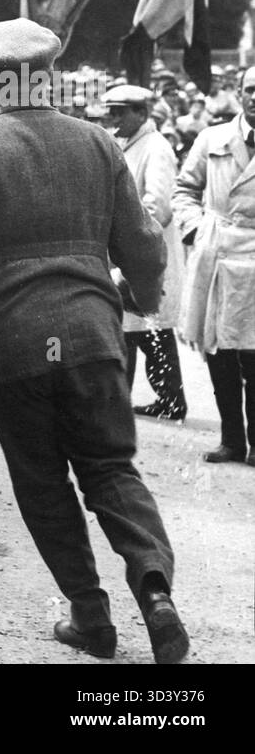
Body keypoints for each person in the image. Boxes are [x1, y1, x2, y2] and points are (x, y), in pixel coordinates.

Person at [0, 18, 187, 664]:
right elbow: (143, 243)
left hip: (9, 347)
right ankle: (154, 588)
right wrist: (143, 299)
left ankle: (90, 616)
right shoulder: (98, 144)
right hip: (92, 337)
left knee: (42, 482)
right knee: (111, 469)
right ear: (51, 77)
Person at [173, 65, 255, 466]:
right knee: (219, 353)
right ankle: (231, 441)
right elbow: (184, 188)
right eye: (251, 90)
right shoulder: (212, 138)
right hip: (218, 251)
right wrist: (195, 228)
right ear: (238, 94)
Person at [103, 85, 188, 421]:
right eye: (110, 111)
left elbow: (158, 205)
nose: (113, 118)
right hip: (130, 251)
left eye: (120, 111)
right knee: (132, 326)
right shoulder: (128, 144)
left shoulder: (156, 148)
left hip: (146, 253)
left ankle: (169, 400)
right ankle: (151, 398)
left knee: (148, 326)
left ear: (142, 113)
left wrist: (132, 249)